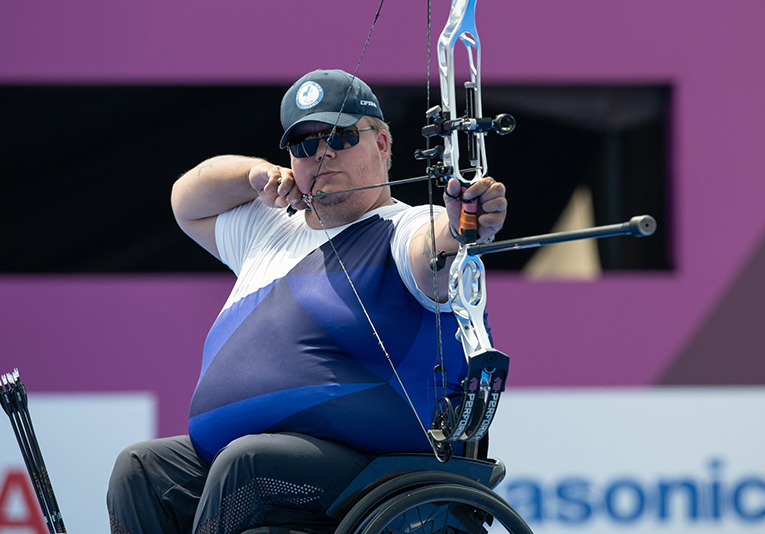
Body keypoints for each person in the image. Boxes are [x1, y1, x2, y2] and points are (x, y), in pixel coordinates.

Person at [107, 69, 507, 534]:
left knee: (247, 461)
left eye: (340, 136)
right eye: (304, 145)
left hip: (374, 472)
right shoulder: (267, 227)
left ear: (381, 144)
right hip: (252, 468)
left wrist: (464, 226)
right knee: (140, 468)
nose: (323, 153)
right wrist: (255, 174)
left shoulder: (404, 228)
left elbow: (435, 253)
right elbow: (186, 201)